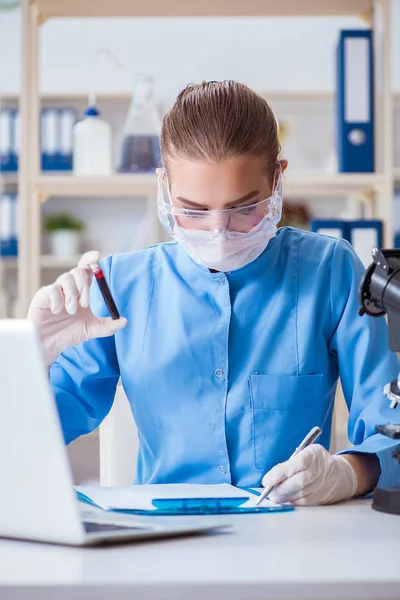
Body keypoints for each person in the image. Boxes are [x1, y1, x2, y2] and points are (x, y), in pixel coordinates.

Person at [29, 80, 400, 505]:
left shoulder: (329, 271)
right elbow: (32, 440)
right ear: (164, 186)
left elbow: (391, 429)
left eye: (244, 209)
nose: (218, 232)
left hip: (293, 535)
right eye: (193, 210)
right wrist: (31, 360)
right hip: (159, 541)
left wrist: (346, 474)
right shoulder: (118, 285)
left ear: (278, 179)